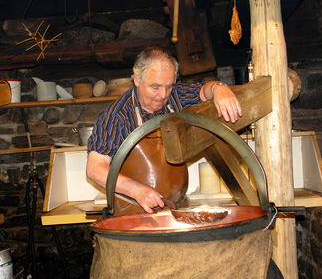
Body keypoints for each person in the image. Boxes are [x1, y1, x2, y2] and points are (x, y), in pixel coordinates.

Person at [86, 47, 242, 213]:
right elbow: (95, 169)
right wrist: (136, 190)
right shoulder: (118, 117)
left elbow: (204, 90)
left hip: (176, 208)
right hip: (134, 211)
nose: (162, 95)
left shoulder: (176, 97)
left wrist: (219, 88)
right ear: (137, 79)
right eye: (155, 87)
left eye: (168, 86)